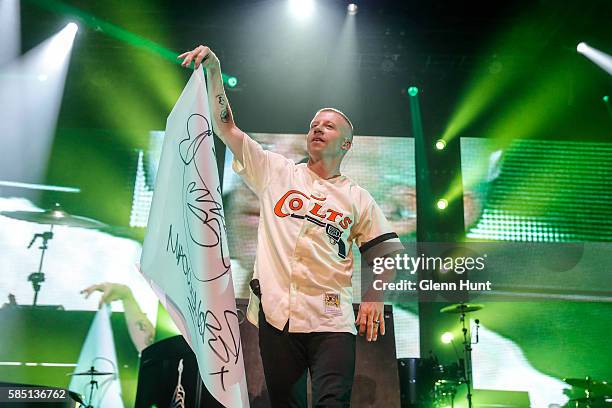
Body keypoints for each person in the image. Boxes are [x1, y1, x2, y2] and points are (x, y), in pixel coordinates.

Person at [177, 45, 404, 407]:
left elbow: (386, 253)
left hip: (331, 320)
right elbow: (226, 127)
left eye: (328, 126)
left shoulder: (358, 198)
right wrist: (214, 71)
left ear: (346, 143)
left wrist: (374, 298)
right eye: (313, 124)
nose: (317, 129)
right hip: (277, 318)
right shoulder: (276, 172)